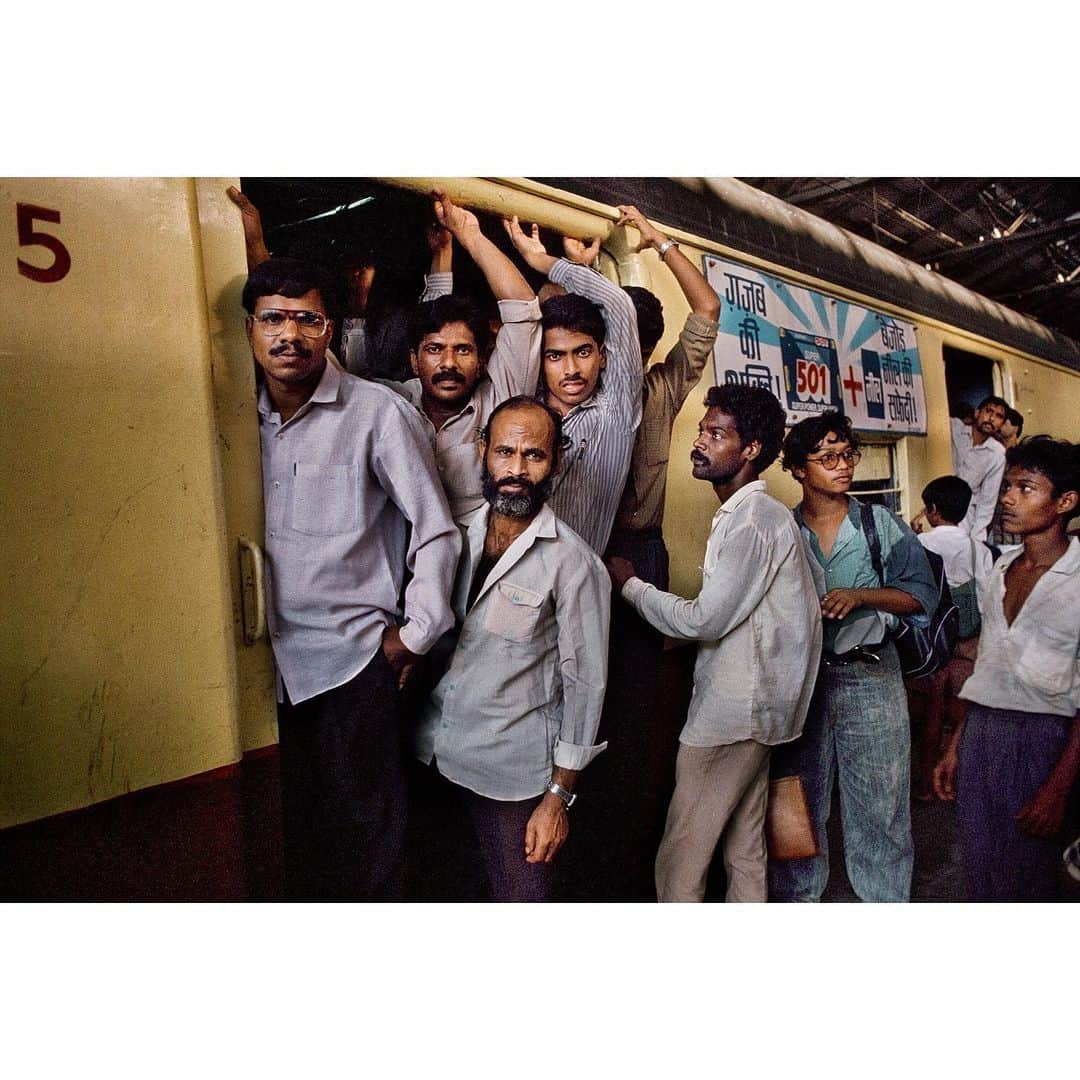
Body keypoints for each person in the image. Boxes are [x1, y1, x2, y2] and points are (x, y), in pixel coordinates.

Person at [243, 256, 460, 900]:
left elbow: (435, 527)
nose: (290, 336)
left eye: (306, 319)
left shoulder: (376, 412)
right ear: (249, 330)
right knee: (300, 836)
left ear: (330, 328)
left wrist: (415, 635)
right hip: (267, 666)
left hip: (352, 663)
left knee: (370, 836)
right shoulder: (234, 418)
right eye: (273, 320)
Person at [607, 385, 821, 901]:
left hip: (733, 714)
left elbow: (705, 620)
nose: (700, 442)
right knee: (744, 853)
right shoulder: (758, 518)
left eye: (717, 434)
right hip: (758, 713)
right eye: (702, 430)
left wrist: (631, 584)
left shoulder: (752, 522)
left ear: (750, 451)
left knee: (681, 858)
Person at [575, 205, 722, 899]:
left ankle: (624, 864)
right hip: (584, 552)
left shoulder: (664, 388)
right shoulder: (575, 396)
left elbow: (705, 307)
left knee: (630, 718)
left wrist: (657, 239)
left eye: (643, 338)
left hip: (638, 556)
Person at [413, 397, 610, 901]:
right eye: (505, 452)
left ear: (556, 461)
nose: (516, 471)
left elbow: (586, 686)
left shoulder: (573, 564)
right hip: (435, 753)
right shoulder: (455, 535)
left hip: (514, 780)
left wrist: (558, 798)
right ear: (483, 451)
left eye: (534, 456)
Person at [768, 412, 938, 902]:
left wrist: (864, 596)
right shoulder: (783, 529)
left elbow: (920, 595)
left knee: (880, 806)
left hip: (871, 673)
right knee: (801, 800)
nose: (843, 466)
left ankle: (884, 902)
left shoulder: (877, 522)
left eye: (848, 455)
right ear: (798, 469)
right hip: (803, 682)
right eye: (828, 458)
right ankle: (800, 900)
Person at [934, 436, 1080, 901]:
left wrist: (1058, 787)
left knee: (1034, 880)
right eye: (1008, 486)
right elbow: (987, 669)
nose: (1008, 498)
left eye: (1026, 488)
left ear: (1066, 502)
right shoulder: (1002, 570)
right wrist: (957, 745)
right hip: (983, 735)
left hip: (1048, 740)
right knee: (981, 870)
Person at [383, 192, 541, 519]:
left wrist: (469, 234)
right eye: (434, 350)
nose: (449, 364)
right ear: (414, 361)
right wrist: (442, 252)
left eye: (464, 350)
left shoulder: (500, 402)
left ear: (482, 359)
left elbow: (523, 309)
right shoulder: (391, 403)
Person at [504, 216, 643, 555]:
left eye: (582, 352)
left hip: (575, 588)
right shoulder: (521, 406)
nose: (571, 369)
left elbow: (619, 306)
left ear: (603, 356)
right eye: (555, 356)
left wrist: (543, 262)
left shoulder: (617, 412)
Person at [907, 475, 993, 800]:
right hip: (965, 639)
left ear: (932, 510)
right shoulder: (977, 549)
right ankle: (956, 778)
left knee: (930, 709)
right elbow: (986, 598)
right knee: (959, 713)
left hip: (931, 638)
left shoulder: (921, 544)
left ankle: (926, 786)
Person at [950, 395, 1008, 541]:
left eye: (999, 416)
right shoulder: (953, 428)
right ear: (977, 413)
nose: (992, 418)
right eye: (988, 411)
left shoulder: (997, 453)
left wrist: (977, 539)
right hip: (935, 509)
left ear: (1001, 424)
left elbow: (988, 500)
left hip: (965, 517)